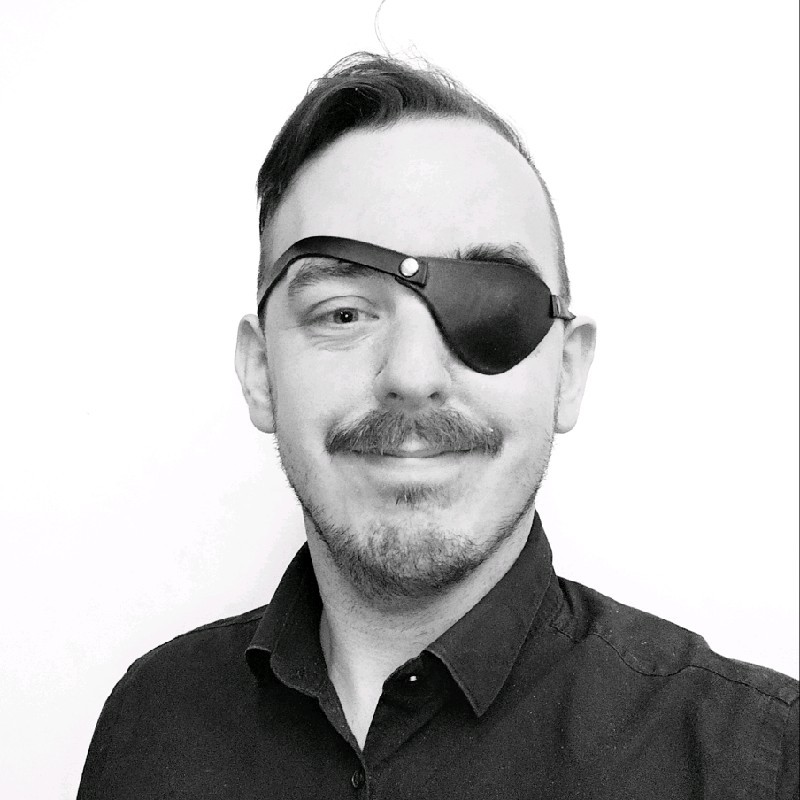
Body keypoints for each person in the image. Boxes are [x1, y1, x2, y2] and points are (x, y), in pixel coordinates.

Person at [77, 52, 798, 799]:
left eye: (489, 307)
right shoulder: (151, 726)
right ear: (260, 373)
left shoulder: (755, 764)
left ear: (568, 373)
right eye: (342, 314)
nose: (413, 376)